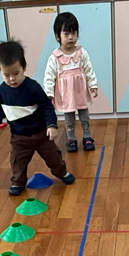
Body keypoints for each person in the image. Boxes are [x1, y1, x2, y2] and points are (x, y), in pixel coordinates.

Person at [0, 40, 75, 196]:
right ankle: (17, 183)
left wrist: (51, 125)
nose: (12, 79)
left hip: (41, 135)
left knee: (54, 157)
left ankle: (62, 173)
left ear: (24, 67)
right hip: (19, 138)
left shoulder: (33, 87)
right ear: (0, 71)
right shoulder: (2, 91)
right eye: (6, 75)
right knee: (17, 162)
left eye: (16, 73)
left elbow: (47, 106)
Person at [43, 12, 99, 153]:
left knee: (84, 116)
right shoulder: (55, 57)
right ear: (57, 36)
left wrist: (92, 84)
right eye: (66, 34)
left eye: (74, 33)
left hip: (80, 91)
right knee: (69, 119)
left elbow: (89, 69)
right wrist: (49, 93)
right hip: (66, 95)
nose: (71, 37)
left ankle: (87, 137)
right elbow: (49, 76)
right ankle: (71, 139)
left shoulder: (81, 53)